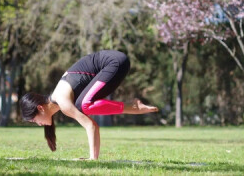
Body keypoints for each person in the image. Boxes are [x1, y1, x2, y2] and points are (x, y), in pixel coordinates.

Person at [19, 50, 158, 160]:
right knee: (82, 105)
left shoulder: (63, 102)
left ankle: (134, 107)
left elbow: (91, 126)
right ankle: (134, 106)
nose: (38, 124)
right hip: (115, 62)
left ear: (40, 108)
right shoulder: (59, 96)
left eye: (34, 120)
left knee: (84, 106)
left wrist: (93, 158)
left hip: (115, 63)